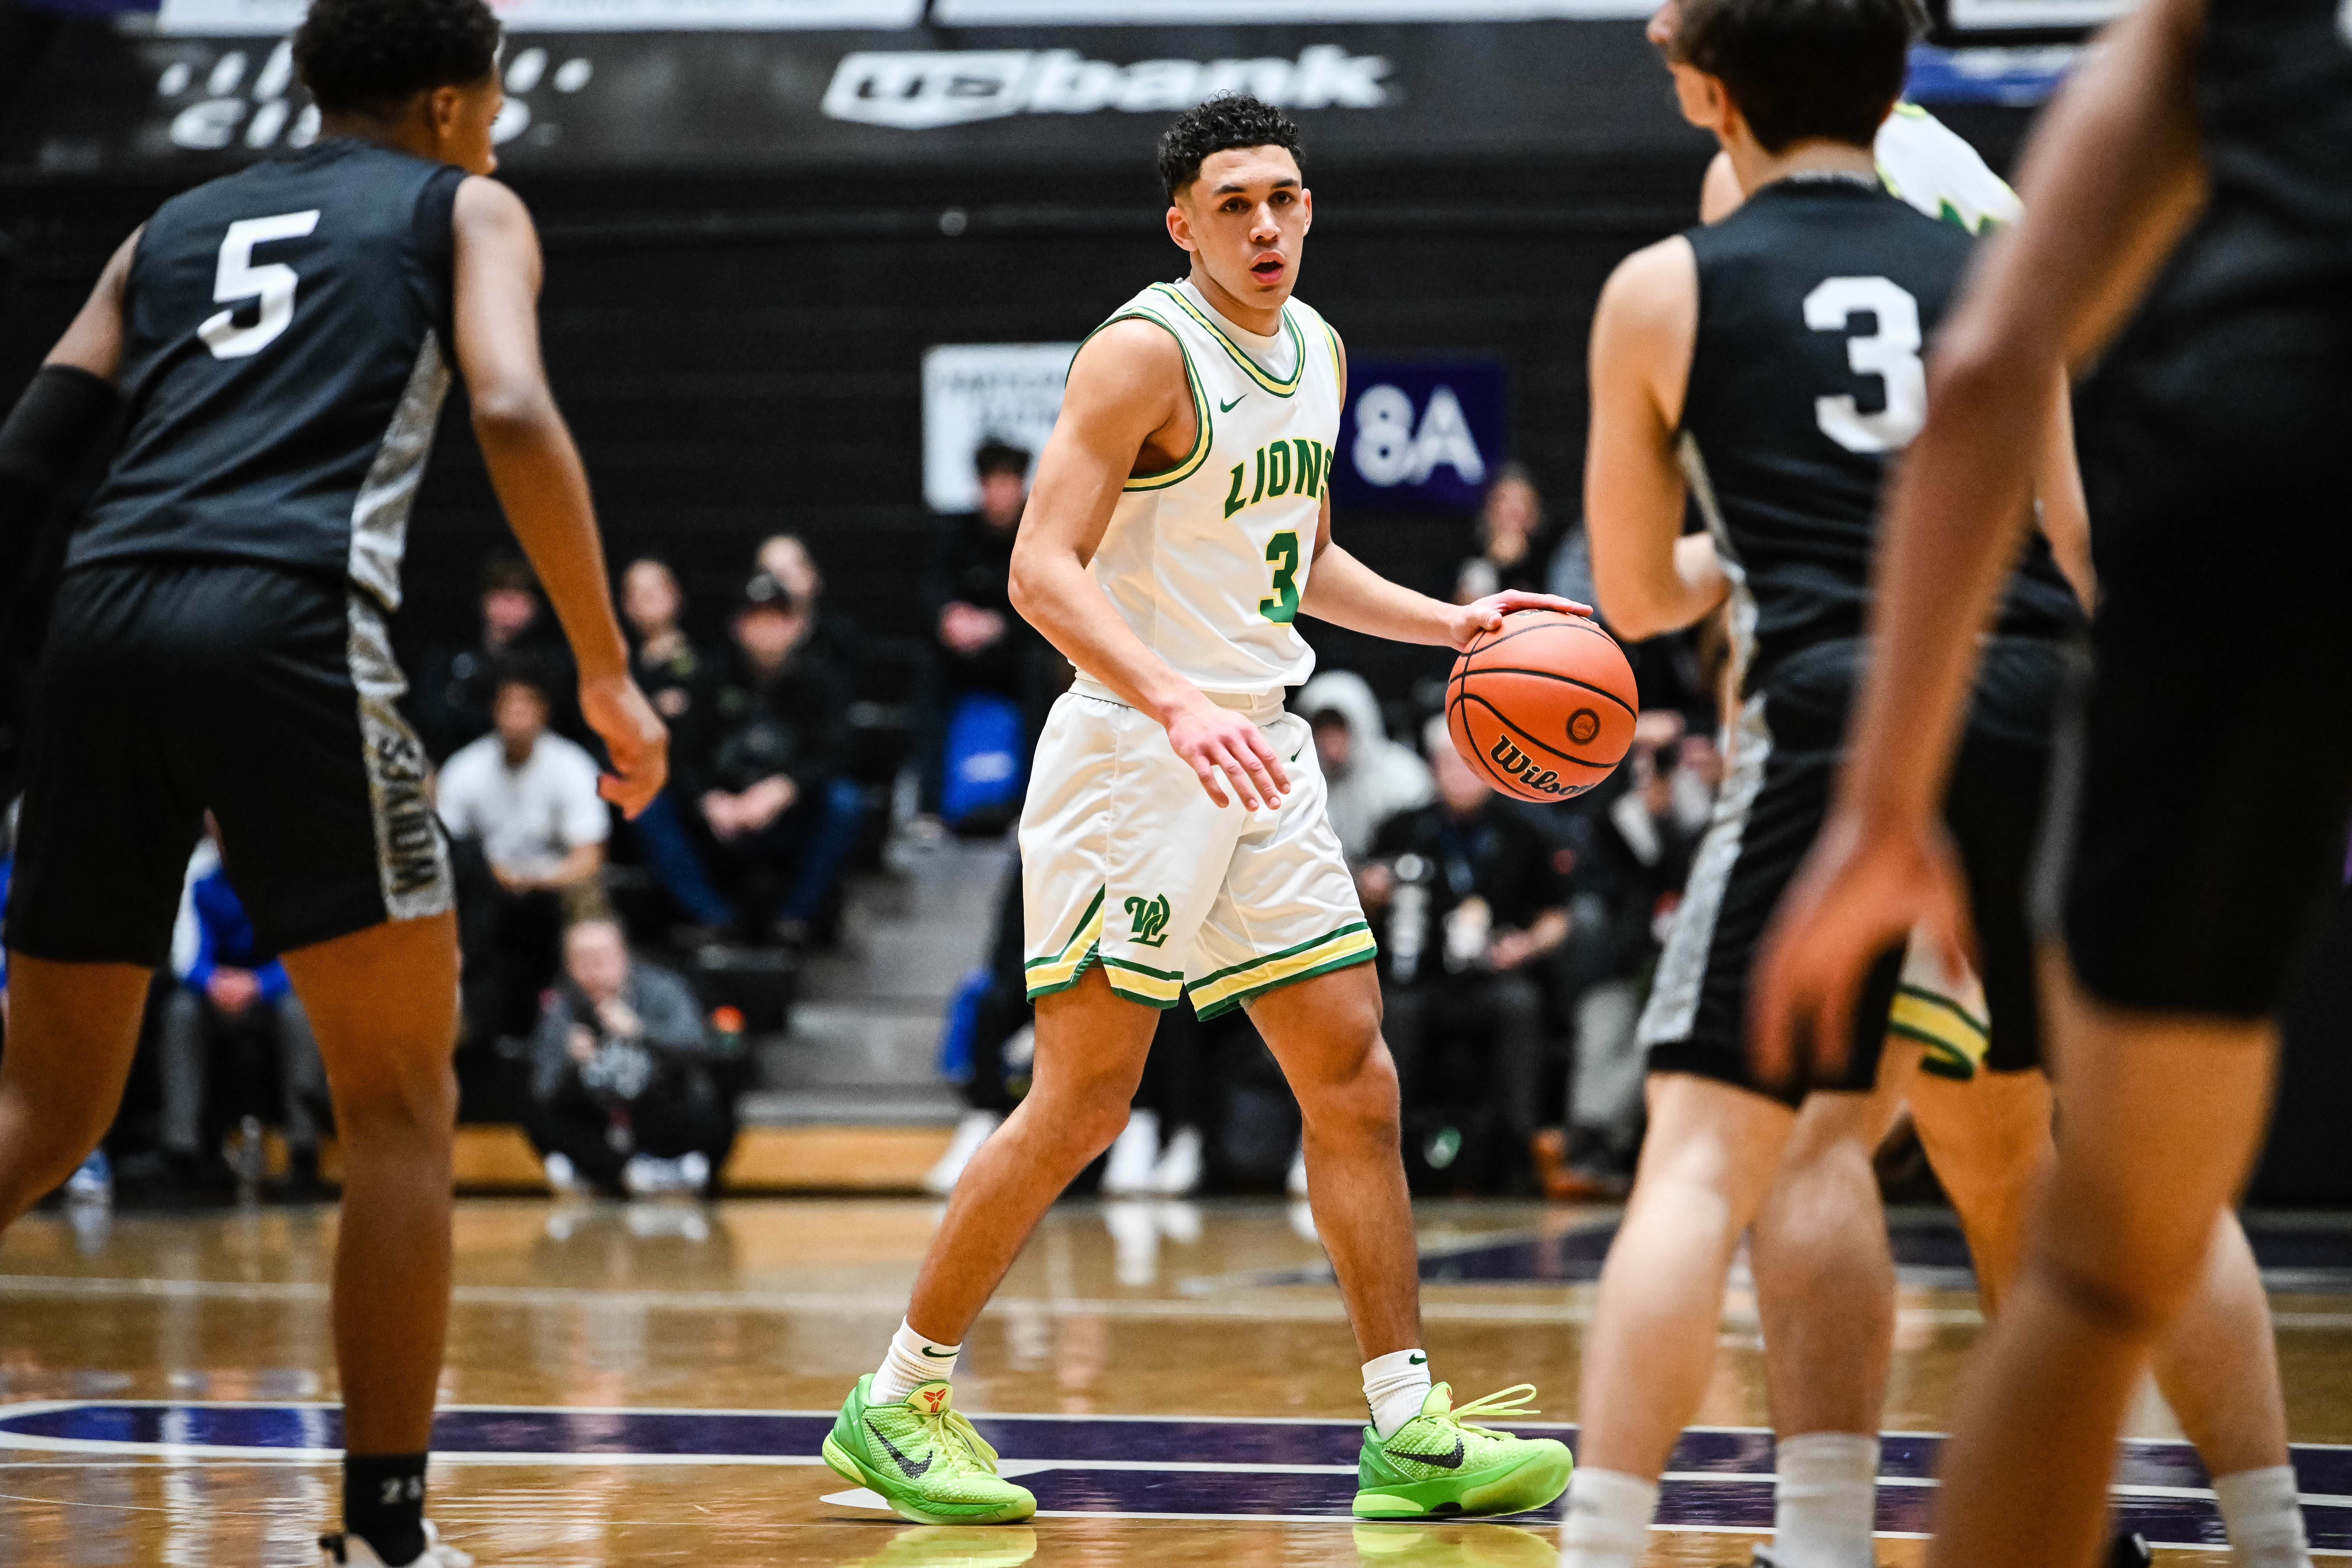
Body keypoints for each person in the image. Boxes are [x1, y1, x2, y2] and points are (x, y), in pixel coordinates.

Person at [820, 92, 1578, 1528]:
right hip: (1139, 751)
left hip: (1262, 745)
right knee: (1087, 1095)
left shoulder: (1320, 350)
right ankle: (896, 1399)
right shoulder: (1141, 353)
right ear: (1183, 223)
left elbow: (1298, 561)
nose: (1267, 224)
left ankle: (1408, 1428)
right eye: (1234, 202)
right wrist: (1174, 699)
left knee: (1353, 1075)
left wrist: (1458, 624)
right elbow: (1042, 570)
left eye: (1285, 196)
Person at [0, 0, 667, 1558]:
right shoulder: (464, 205)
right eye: (494, 94)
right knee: (398, 1101)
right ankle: (380, 1522)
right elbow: (506, 400)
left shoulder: (167, 226)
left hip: (100, 624)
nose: (499, 121)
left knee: (39, 1106)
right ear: (450, 100)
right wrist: (605, 663)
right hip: (286, 625)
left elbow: (28, 457)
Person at [1748, 0, 2350, 1558]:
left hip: (2218, 523)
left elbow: (1994, 371)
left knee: (2089, 1243)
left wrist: (1880, 805)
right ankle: (2271, 1536)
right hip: (2133, 586)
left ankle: (1823, 1536)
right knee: (2034, 1165)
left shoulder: (2200, 45)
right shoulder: (1976, 173)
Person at [1557, 0, 2098, 1561]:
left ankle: (1617, 1537)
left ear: (1709, 99)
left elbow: (1638, 599)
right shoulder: (2002, 268)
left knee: (1707, 1159)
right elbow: (2074, 546)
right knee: (2099, 1175)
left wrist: (1745, 549)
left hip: (1830, 710)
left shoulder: (1663, 286)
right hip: (2022, 713)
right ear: (1893, 79)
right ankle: (2218, 1528)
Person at [1358, 718, 1573, 1193]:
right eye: (1449, 765)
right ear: (1433, 769)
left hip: (1493, 974)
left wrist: (1525, 945)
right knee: (1392, 1009)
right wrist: (1370, 889)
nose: (1460, 776)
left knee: (1519, 1007)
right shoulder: (1404, 827)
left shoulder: (1526, 829)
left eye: (1470, 765)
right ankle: (1386, 1147)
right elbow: (1358, 894)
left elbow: (1558, 917)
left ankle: (1519, 1151)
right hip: (1419, 975)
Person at [437, 672, 612, 1042]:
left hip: (551, 886)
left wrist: (530, 879)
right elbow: (443, 853)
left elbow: (589, 859)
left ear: (544, 712)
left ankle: (596, 1011)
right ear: (493, 712)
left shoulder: (571, 764)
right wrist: (491, 877)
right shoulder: (465, 769)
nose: (517, 716)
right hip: (484, 888)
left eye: (526, 706)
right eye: (508, 706)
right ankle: (458, 1016)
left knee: (588, 894)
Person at [161, 829, 334, 1197]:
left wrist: (259, 983)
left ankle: (303, 1155)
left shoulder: (291, 869)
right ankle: (183, 1154)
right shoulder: (196, 870)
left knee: (300, 1013)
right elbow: (185, 953)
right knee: (180, 1013)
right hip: (215, 992)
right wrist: (213, 982)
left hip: (275, 989)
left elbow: (304, 949)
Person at [693, 573, 862, 947]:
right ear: (738, 626)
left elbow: (836, 753)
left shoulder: (822, 680)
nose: (766, 630)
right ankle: (709, 915)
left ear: (798, 626)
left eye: (777, 618)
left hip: (791, 816)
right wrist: (707, 799)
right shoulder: (709, 677)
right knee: (648, 801)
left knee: (845, 802)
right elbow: (682, 755)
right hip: (722, 817)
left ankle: (796, 918)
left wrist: (786, 787)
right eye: (756, 618)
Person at [525, 918, 735, 1197]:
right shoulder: (560, 1006)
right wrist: (570, 1062)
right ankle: (623, 1172)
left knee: (717, 1116)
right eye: (583, 958)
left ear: (624, 956)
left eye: (602, 956)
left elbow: (696, 1045)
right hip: (596, 1123)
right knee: (536, 1116)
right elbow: (542, 1087)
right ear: (569, 965)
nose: (594, 967)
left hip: (657, 1114)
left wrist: (640, 1031)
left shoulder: (661, 989)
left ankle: (645, 1166)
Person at [919, 440, 1059, 819]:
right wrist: (948, 617)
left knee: (1038, 670)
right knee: (928, 672)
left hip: (1014, 653)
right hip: (962, 655)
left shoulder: (1038, 535)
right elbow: (931, 589)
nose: (1000, 494)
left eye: (1008, 483)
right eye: (992, 483)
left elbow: (1049, 602)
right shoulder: (956, 533)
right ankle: (929, 806)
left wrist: (999, 627)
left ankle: (1028, 804)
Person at [616, 557, 735, 934]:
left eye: (657, 590)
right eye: (637, 593)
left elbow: (710, 736)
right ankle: (712, 915)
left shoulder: (707, 665)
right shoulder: (615, 670)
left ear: (677, 598)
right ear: (624, 604)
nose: (648, 600)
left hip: (698, 781)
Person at [412, 552, 573, 761]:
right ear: (483, 599)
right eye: (500, 593)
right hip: (459, 767)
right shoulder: (449, 661)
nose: (508, 604)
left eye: (520, 595)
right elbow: (428, 720)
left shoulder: (554, 666)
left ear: (536, 605)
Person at [1293, 669, 1433, 864]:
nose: (1331, 740)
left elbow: (1424, 848)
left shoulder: (1404, 777)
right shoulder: (1302, 784)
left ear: (1362, 723)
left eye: (1339, 727)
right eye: (1323, 728)